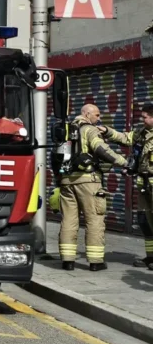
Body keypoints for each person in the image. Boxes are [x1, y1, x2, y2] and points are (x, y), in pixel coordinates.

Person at [58, 104, 129, 271]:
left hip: (67, 181)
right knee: (94, 220)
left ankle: (67, 261)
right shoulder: (89, 129)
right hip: (88, 181)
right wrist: (124, 162)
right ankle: (96, 261)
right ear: (86, 114)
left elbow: (59, 157)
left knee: (68, 220)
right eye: (96, 115)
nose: (99, 118)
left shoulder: (66, 130)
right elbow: (101, 149)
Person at [95, 103, 153, 269]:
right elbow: (125, 138)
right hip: (144, 184)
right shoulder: (142, 133)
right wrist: (107, 131)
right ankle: (151, 257)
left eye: (145, 117)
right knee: (144, 221)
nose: (142, 120)